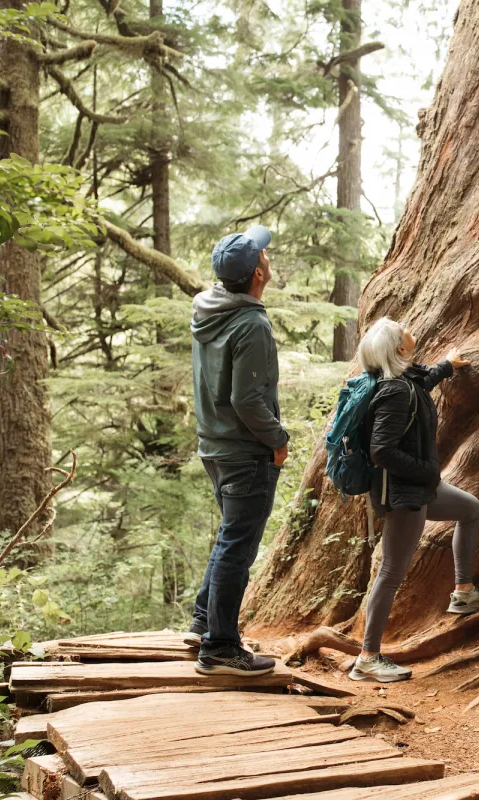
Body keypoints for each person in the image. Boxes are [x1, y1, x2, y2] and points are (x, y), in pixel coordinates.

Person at [348, 318, 479, 683]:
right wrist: (424, 472)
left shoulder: (405, 382)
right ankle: (367, 658)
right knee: (390, 573)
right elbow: (381, 450)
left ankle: (463, 592)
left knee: (469, 508)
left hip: (418, 488)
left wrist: (446, 367)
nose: (407, 327)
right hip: (406, 495)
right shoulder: (395, 392)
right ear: (399, 349)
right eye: (400, 328)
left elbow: (422, 383)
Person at [186, 225, 287, 676]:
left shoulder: (207, 308)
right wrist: (278, 440)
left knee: (229, 535)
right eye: (264, 254)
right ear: (258, 274)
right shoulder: (250, 323)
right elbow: (247, 399)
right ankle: (220, 648)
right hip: (245, 451)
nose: (268, 256)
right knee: (237, 547)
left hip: (214, 445)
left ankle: (204, 622)